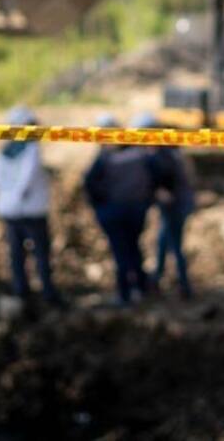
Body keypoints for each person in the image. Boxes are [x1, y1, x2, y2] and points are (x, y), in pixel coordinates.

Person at [0, 105, 64, 308]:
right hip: (31, 211)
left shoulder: (5, 152)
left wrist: (9, 197)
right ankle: (46, 293)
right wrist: (17, 195)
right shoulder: (30, 150)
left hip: (12, 210)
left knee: (17, 255)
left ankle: (22, 291)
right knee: (39, 254)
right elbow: (27, 178)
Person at [84, 119, 156, 306]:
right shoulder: (139, 153)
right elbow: (155, 177)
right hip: (134, 210)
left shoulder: (105, 158)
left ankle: (126, 294)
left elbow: (90, 184)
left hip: (116, 211)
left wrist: (101, 207)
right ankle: (140, 287)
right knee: (133, 249)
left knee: (122, 253)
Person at [145, 114, 195, 300]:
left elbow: (166, 181)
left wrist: (161, 191)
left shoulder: (163, 156)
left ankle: (183, 285)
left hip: (174, 206)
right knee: (163, 241)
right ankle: (158, 279)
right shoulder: (173, 153)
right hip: (178, 205)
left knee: (174, 245)